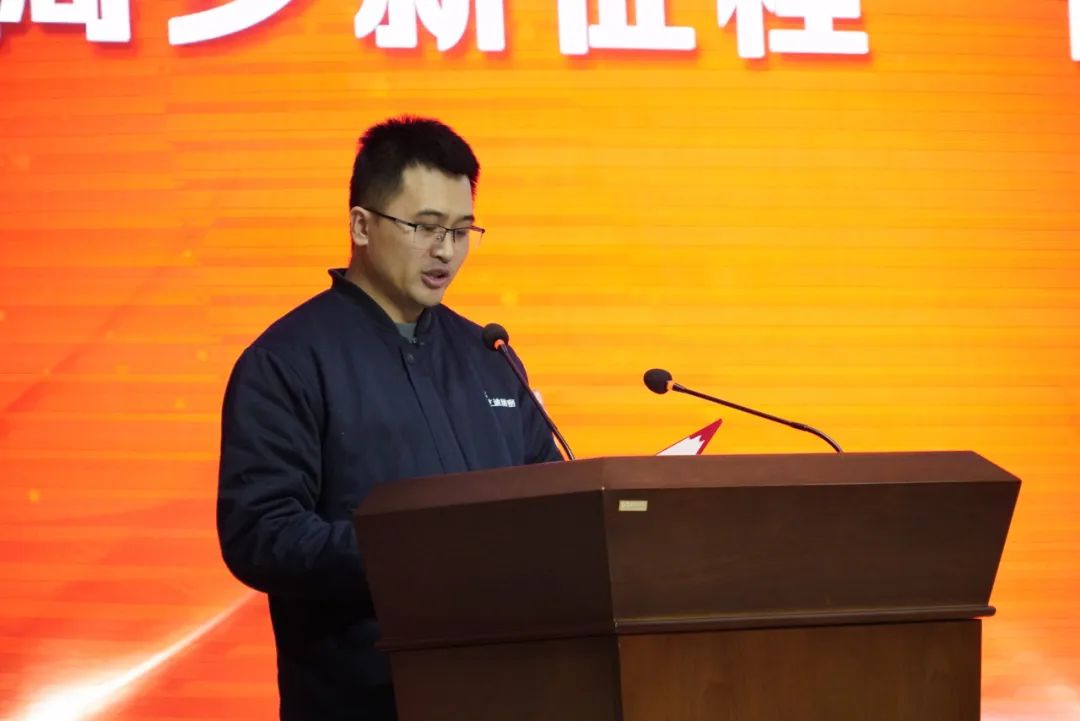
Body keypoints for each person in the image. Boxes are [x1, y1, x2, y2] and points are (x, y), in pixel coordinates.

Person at [216, 116, 563, 721]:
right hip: (365, 697)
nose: (445, 251)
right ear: (361, 225)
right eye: (426, 227)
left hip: (504, 689)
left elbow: (548, 497)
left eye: (461, 231)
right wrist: (412, 553)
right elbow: (261, 535)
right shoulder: (288, 361)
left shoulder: (487, 353)